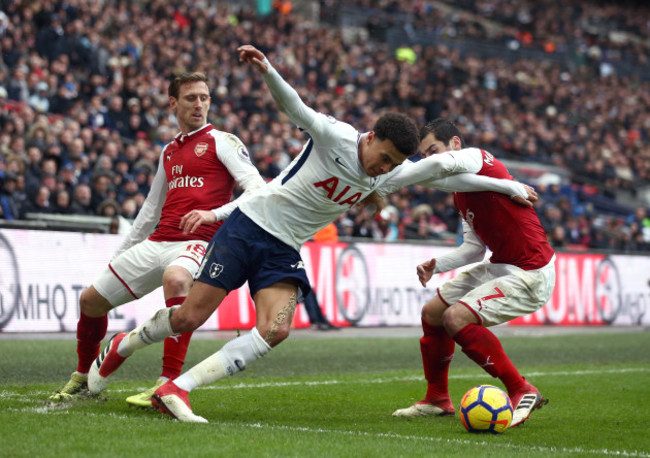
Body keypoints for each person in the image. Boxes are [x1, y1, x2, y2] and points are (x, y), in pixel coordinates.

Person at [85, 45, 535, 423]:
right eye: (384, 158)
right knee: (187, 319)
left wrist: (505, 184)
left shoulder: (389, 173)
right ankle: (123, 343)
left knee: (276, 330)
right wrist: (268, 71)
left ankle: (177, 389)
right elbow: (294, 107)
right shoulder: (336, 136)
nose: (386, 169)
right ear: (371, 136)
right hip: (249, 227)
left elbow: (444, 173)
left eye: (396, 164)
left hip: (283, 248)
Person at [48, 72, 266, 407]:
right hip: (158, 240)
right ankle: (83, 379)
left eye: (204, 97)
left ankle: (166, 384)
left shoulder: (223, 141)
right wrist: (120, 254)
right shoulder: (169, 151)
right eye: (191, 97)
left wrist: (214, 214)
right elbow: (150, 209)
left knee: (176, 279)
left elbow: (258, 189)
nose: (199, 104)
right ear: (173, 103)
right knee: (91, 301)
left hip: (198, 242)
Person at [389, 118, 555, 428]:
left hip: (531, 271)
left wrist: (397, 172)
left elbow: (441, 168)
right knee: (434, 313)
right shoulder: (459, 192)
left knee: (456, 318)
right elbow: (474, 249)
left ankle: (521, 389)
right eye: (423, 155)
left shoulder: (476, 157)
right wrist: (436, 265)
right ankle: (437, 398)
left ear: (454, 144)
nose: (429, 160)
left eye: (433, 150)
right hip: (501, 265)